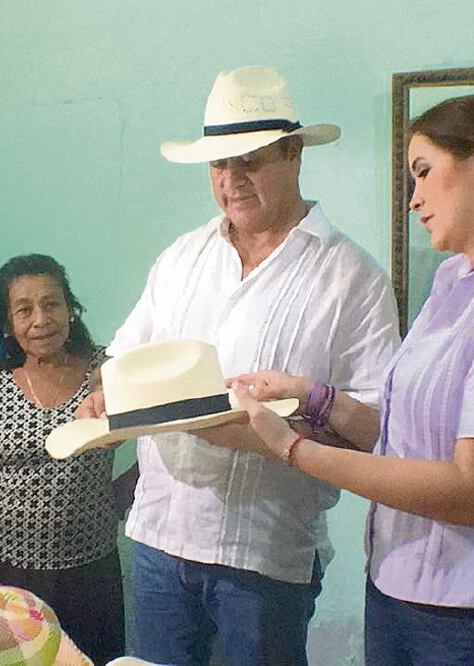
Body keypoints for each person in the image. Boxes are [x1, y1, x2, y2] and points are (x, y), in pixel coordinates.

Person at [205, 94, 474, 665]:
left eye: (423, 173)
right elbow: (407, 442)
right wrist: (317, 399)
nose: (414, 197)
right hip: (400, 593)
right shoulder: (455, 280)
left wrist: (292, 448)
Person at [78, 66, 401, 665]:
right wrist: (103, 395)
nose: (231, 180)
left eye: (248, 160)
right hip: (158, 539)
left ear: (293, 153)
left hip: (266, 556)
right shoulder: (181, 259)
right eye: (218, 165)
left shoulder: (350, 277)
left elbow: (381, 426)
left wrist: (273, 436)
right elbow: (123, 355)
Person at [0, 254, 124, 663]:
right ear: (6, 324)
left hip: (88, 567)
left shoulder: (106, 371)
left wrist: (123, 494)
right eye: (24, 310)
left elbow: (155, 434)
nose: (40, 320)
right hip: (2, 568)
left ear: (70, 309)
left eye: (52, 304)